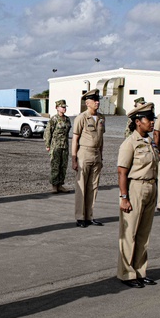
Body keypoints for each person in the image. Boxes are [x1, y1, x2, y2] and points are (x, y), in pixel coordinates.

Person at [116, 102, 160, 288]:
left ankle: (140, 271)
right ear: (137, 121)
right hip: (135, 188)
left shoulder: (149, 142)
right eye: (148, 119)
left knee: (143, 233)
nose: (152, 123)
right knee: (129, 233)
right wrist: (123, 197)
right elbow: (121, 172)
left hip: (151, 187)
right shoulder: (129, 143)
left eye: (152, 119)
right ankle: (127, 273)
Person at [72, 90, 105, 227]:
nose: (97, 102)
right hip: (84, 154)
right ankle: (80, 217)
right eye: (94, 100)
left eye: (98, 100)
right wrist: (74, 159)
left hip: (96, 154)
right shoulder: (81, 118)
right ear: (87, 103)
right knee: (82, 186)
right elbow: (75, 139)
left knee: (93, 186)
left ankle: (89, 216)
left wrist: (101, 157)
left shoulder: (102, 118)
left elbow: (101, 139)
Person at [45, 99, 72, 193]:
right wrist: (47, 144)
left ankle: (60, 184)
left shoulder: (67, 119)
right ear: (57, 108)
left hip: (64, 146)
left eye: (65, 107)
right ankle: (54, 185)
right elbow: (48, 132)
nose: (64, 108)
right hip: (55, 146)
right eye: (62, 107)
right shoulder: (54, 119)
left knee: (63, 165)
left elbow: (67, 132)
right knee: (55, 165)